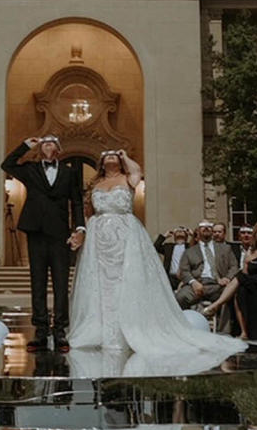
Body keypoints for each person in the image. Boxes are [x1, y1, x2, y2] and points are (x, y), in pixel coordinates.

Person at [69, 152, 242, 372]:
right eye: (107, 155)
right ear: (101, 162)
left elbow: (137, 171)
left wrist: (124, 156)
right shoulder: (97, 183)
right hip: (100, 234)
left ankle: (127, 330)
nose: (111, 157)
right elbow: (88, 212)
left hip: (124, 233)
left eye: (115, 155)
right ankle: (102, 331)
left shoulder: (128, 178)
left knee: (125, 281)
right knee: (102, 284)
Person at [0, 135, 86, 352]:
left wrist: (80, 228)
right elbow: (7, 164)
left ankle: (60, 331)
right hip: (35, 230)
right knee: (37, 282)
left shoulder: (69, 172)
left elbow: (76, 201)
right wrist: (26, 145)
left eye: (52, 143)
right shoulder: (30, 169)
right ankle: (40, 330)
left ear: (58, 149)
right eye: (44, 143)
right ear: (40, 148)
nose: (47, 145)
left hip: (59, 233)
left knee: (60, 283)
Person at [174, 220, 239, 315]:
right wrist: (193, 282)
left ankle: (223, 329)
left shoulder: (225, 249)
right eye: (203, 226)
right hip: (197, 284)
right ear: (198, 231)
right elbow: (184, 270)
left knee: (232, 295)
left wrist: (227, 278)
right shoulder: (189, 251)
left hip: (218, 285)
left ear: (212, 230)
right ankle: (184, 325)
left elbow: (234, 266)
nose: (206, 228)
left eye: (209, 226)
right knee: (180, 297)